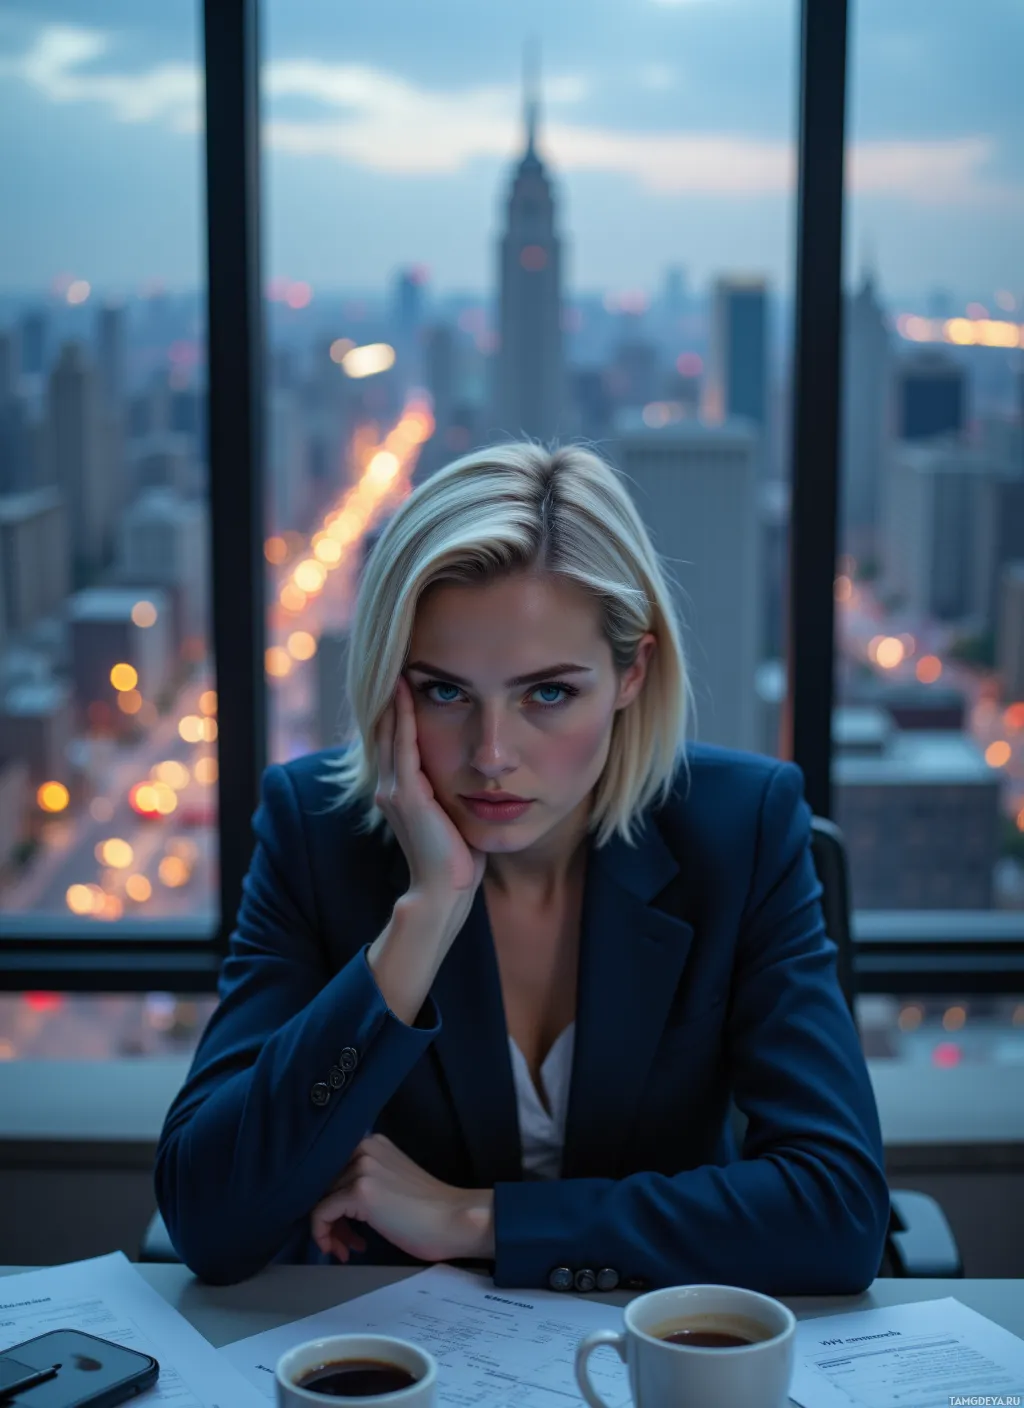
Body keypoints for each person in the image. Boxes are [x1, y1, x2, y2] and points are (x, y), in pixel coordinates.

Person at [155, 441, 890, 1292]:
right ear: (387, 682)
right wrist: (423, 916)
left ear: (630, 673)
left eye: (547, 693)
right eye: (443, 691)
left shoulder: (741, 831)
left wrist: (475, 1218)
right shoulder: (315, 836)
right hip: (400, 1359)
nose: (492, 755)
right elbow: (208, 1221)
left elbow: (838, 1214)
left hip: (649, 1353)